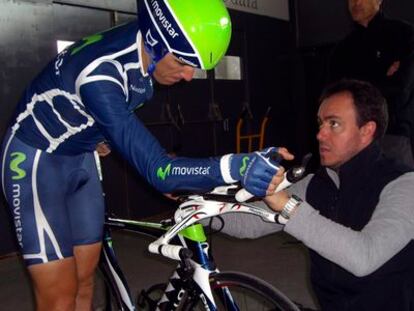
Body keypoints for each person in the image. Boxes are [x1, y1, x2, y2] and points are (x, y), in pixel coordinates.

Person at [0, 1, 281, 310]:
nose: (189, 76)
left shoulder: (146, 48)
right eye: (183, 62)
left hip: (80, 155)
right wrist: (238, 164)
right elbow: (159, 172)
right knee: (59, 296)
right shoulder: (100, 76)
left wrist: (98, 133)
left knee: (84, 282)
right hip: (36, 160)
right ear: (155, 42)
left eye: (196, 66)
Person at [213, 79, 414, 310]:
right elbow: (248, 222)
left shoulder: (403, 184)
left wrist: (289, 207)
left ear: (367, 130)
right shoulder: (315, 183)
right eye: (320, 124)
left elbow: (365, 256)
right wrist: (190, 200)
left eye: (334, 124)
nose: (320, 134)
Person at [328, 0, 414, 168]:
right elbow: (334, 98)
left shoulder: (404, 34)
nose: (356, 3)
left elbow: (402, 87)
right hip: (353, 140)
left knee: (401, 189)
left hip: (393, 134)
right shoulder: (341, 50)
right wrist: (384, 79)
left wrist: (355, 91)